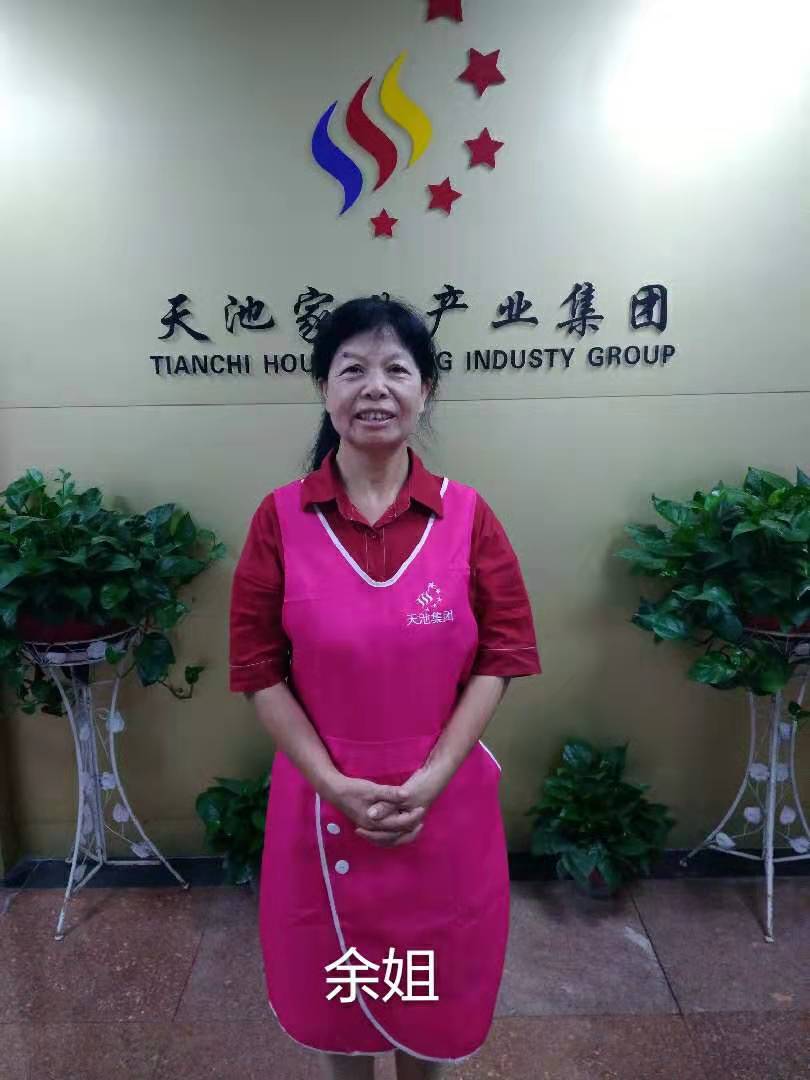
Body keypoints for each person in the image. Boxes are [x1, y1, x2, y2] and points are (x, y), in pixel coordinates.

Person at [229, 295, 542, 1080]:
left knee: (426, 998)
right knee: (340, 998)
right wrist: (333, 784)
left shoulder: (467, 516)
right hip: (322, 800)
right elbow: (258, 668)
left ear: (425, 390)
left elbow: (504, 653)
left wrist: (433, 777)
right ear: (323, 388)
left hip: (442, 801)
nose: (375, 388)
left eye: (397, 370)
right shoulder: (280, 520)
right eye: (353, 370)